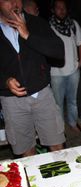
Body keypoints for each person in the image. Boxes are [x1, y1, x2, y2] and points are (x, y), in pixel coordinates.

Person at [0, 0, 66, 157]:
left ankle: (61, 180)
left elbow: (59, 51)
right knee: (26, 152)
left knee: (57, 146)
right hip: (12, 101)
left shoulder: (36, 23)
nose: (15, 3)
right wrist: (4, 80)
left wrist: (28, 35)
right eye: (9, 0)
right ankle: (32, 181)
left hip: (42, 94)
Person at [49, 0, 81, 132]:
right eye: (58, 8)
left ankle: (72, 122)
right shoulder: (48, 26)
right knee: (57, 103)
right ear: (53, 10)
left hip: (73, 70)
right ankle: (60, 127)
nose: (61, 10)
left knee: (73, 100)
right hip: (55, 72)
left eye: (63, 8)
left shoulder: (73, 24)